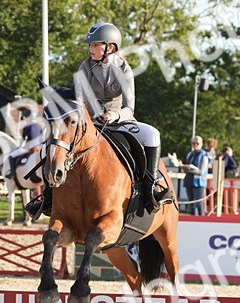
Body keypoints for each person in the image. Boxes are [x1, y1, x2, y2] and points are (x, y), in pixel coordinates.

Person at [28, 22, 171, 217]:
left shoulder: (125, 70)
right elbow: (78, 103)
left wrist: (115, 115)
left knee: (152, 135)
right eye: (90, 45)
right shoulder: (84, 67)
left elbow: (129, 108)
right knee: (51, 146)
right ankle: (48, 195)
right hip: (89, 123)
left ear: (110, 47)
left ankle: (150, 188)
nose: (90, 49)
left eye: (95, 45)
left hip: (119, 122)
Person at [183, 135, 211, 216]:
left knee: (198, 203)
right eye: (193, 143)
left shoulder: (204, 156)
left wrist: (190, 170)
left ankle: (202, 220)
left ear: (201, 144)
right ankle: (192, 219)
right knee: (191, 204)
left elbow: (202, 171)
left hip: (199, 183)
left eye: (197, 143)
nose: (195, 145)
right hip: (189, 181)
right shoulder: (189, 154)